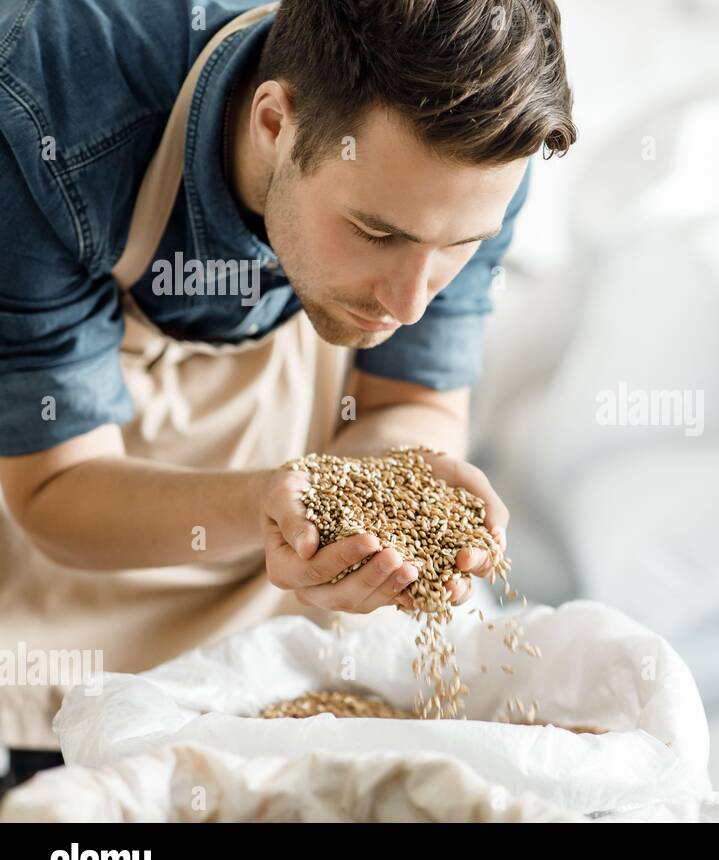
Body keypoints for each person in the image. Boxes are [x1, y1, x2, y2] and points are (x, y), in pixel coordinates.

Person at [0, 0, 575, 792]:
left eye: (458, 248)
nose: (411, 304)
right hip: (60, 579)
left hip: (273, 569)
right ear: (274, 123)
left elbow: (406, 403)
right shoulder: (48, 111)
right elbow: (54, 488)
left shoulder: (481, 147)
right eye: (378, 234)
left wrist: (378, 492)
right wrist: (272, 510)